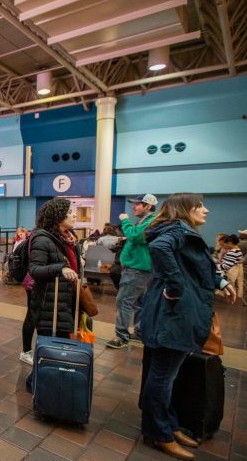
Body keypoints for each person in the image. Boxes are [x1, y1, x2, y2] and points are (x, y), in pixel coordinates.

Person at [140, 193, 236, 460]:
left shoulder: (181, 231)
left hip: (176, 314)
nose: (206, 210)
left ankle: (167, 425)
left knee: (166, 376)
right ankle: (158, 433)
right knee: (162, 377)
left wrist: (221, 282)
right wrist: (175, 286)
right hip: (171, 315)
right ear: (184, 210)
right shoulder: (176, 231)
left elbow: (198, 267)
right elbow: (159, 249)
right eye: (200, 206)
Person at [22, 199, 82, 368]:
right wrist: (60, 268)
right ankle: (29, 356)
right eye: (69, 212)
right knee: (46, 342)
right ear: (57, 216)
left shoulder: (68, 238)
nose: (74, 215)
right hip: (48, 298)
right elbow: (35, 269)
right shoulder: (42, 239)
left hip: (63, 297)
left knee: (60, 345)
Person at [106, 194, 158, 349]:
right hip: (138, 268)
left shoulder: (151, 222)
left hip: (137, 269)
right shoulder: (146, 221)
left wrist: (125, 221)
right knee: (138, 302)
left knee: (123, 301)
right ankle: (139, 331)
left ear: (148, 206)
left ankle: (121, 336)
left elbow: (136, 236)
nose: (133, 207)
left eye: (137, 204)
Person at [219, 234, 245, 305]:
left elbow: (225, 266)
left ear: (230, 243)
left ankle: (230, 300)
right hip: (234, 269)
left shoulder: (232, 252)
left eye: (224, 244)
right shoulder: (237, 250)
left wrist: (217, 265)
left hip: (229, 272)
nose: (224, 246)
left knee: (230, 284)